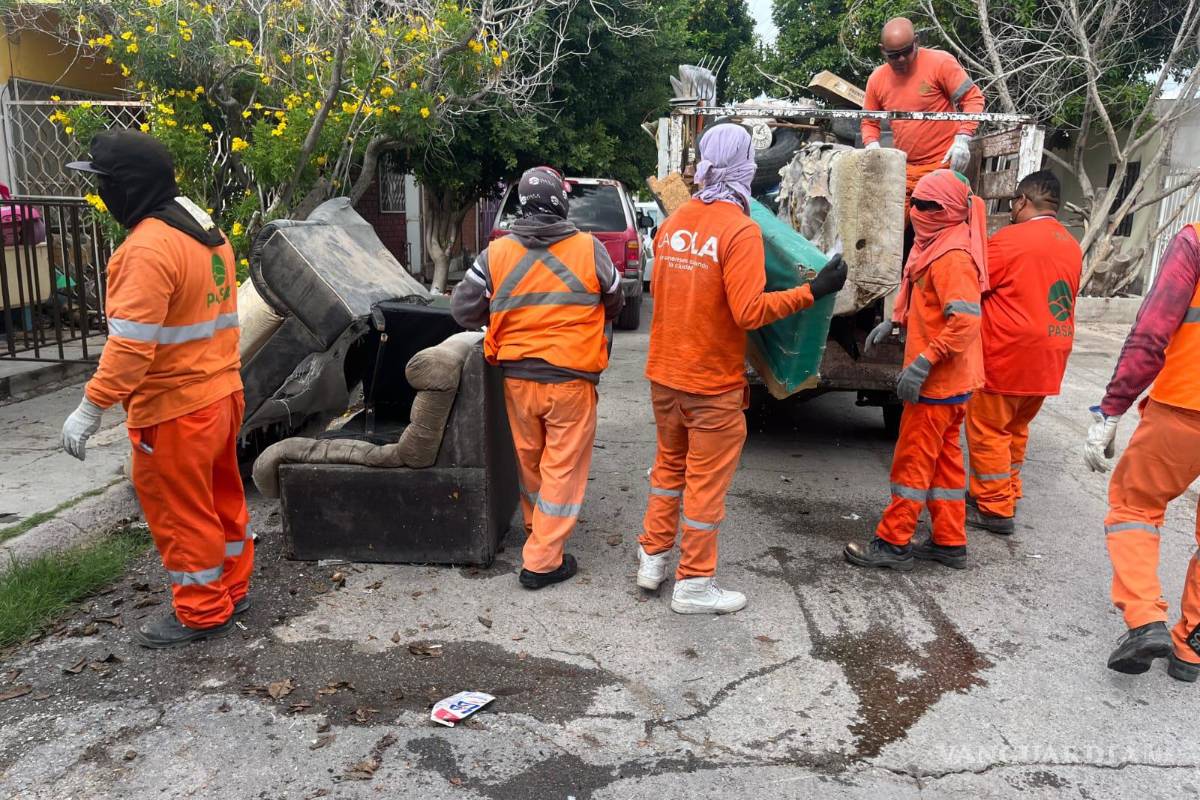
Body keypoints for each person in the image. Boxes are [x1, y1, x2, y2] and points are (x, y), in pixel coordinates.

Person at [637, 123, 847, 614]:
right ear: (744, 169)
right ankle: (693, 584)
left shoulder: (674, 223)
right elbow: (748, 313)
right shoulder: (739, 229)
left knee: (669, 468)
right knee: (706, 483)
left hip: (664, 375)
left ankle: (651, 559)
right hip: (710, 382)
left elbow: (662, 295)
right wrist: (813, 291)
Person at [60, 130, 249, 648]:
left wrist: (90, 407)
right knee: (221, 498)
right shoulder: (208, 235)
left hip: (175, 411)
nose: (102, 195)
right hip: (222, 393)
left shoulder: (145, 250)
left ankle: (202, 608)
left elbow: (130, 349)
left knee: (181, 512)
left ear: (124, 187)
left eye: (103, 185)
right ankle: (232, 586)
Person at [451, 166, 623, 590]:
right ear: (561, 203)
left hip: (517, 379)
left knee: (531, 463)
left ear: (522, 204)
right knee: (562, 467)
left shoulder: (496, 254)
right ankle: (543, 561)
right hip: (571, 379)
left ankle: (537, 531)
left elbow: (462, 309)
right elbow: (616, 299)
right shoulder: (590, 248)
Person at [846, 169, 986, 571]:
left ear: (949, 211)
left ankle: (893, 542)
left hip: (938, 382)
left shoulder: (952, 257)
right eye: (914, 203)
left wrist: (923, 363)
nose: (916, 212)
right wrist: (895, 321)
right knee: (944, 464)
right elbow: (927, 299)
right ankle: (949, 541)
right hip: (950, 382)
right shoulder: (936, 244)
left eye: (926, 206)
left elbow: (964, 322)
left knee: (912, 463)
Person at [1083, 223, 1200, 682]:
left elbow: (1152, 331)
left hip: (1186, 406)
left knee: (1135, 506)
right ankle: (1191, 645)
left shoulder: (1194, 241)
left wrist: (1113, 407)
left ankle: (1145, 619)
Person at [965, 171, 1082, 534]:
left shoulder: (1009, 241)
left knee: (988, 427)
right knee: (1016, 427)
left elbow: (973, 284)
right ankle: (1005, 490)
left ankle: (995, 509)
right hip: (1051, 354)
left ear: (1021, 201)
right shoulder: (1071, 244)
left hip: (1009, 353)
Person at [861, 18, 986, 221]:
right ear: (882, 50)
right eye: (894, 56)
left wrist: (963, 139)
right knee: (888, 225)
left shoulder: (940, 62)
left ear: (916, 41)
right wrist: (872, 147)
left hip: (942, 164)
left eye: (906, 52)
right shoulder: (877, 79)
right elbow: (869, 122)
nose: (901, 59)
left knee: (936, 223)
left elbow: (973, 98)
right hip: (904, 169)